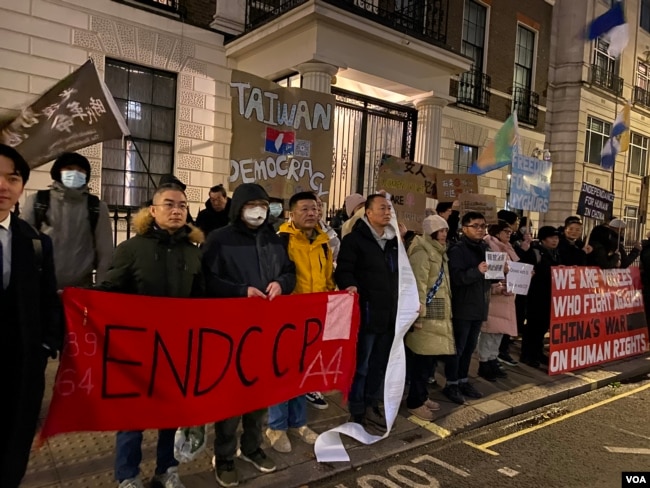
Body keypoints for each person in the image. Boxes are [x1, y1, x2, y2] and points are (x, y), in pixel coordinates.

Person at [95, 183, 204, 488]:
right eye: (169, 204)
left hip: (177, 349)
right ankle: (127, 476)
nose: (176, 210)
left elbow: (202, 300)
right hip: (137, 350)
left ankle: (167, 469)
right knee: (133, 417)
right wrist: (79, 298)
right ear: (153, 210)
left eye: (182, 205)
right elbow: (110, 291)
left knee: (171, 414)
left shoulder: (193, 253)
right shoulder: (130, 249)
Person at [202, 183, 295, 487]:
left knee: (260, 393)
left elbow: (289, 272)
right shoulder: (219, 240)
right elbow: (206, 280)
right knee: (232, 397)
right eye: (252, 204)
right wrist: (240, 292)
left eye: (263, 205)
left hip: (267, 329)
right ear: (239, 207)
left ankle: (252, 447)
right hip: (232, 330)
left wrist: (282, 283)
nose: (259, 210)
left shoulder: (275, 239)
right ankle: (225, 456)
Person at [0, 144, 63, 488]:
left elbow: (47, 301)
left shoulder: (36, 243)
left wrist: (45, 346)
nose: (3, 186)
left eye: (12, 178)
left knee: (14, 448)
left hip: (22, 367)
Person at [266, 192, 335, 452]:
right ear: (291, 213)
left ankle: (298, 423)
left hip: (314, 319)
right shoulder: (281, 241)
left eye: (315, 209)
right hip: (286, 320)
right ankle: (276, 426)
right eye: (305, 209)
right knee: (282, 375)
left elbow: (328, 279)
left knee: (304, 374)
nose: (311, 213)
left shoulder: (324, 241)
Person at [335, 194, 399, 429]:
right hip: (367, 314)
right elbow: (343, 271)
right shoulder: (355, 240)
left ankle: (372, 403)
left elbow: (401, 276)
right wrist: (349, 285)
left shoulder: (394, 242)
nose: (387, 212)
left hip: (389, 315)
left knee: (380, 364)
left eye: (389, 208)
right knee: (361, 365)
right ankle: (357, 409)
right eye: (382, 208)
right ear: (368, 213)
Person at [21, 152, 113, 288]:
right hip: (40, 288)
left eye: (81, 170)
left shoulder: (97, 207)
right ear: (58, 171)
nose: (75, 173)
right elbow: (22, 244)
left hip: (80, 290)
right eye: (69, 169)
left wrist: (100, 288)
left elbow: (105, 253)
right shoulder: (37, 201)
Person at [405, 215, 454, 421]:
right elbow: (419, 285)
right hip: (426, 316)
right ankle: (414, 401)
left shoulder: (438, 250)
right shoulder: (422, 251)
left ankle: (422, 396)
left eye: (445, 231)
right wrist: (418, 316)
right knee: (421, 361)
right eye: (440, 231)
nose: (444, 235)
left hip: (438, 313)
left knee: (429, 361)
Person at [443, 211, 491, 405]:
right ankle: (451, 383)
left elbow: (489, 276)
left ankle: (463, 380)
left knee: (470, 347)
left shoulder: (485, 247)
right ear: (464, 229)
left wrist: (499, 274)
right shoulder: (458, 250)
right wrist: (477, 271)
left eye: (483, 226)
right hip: (463, 306)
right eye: (476, 226)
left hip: (480, 305)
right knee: (458, 348)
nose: (480, 230)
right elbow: (457, 278)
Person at [479, 222, 519, 381]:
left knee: (499, 332)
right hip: (495, 296)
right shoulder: (489, 246)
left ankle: (492, 359)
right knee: (489, 332)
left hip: (506, 295)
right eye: (506, 231)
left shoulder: (507, 247)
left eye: (510, 231)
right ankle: (484, 363)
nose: (509, 234)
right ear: (497, 232)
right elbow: (490, 274)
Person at [520, 226, 563, 368]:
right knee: (533, 326)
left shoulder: (555, 253)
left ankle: (537, 353)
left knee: (542, 326)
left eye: (556, 238)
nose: (554, 241)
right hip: (535, 295)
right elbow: (528, 270)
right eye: (551, 238)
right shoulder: (535, 252)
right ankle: (527, 355)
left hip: (549, 295)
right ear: (544, 239)